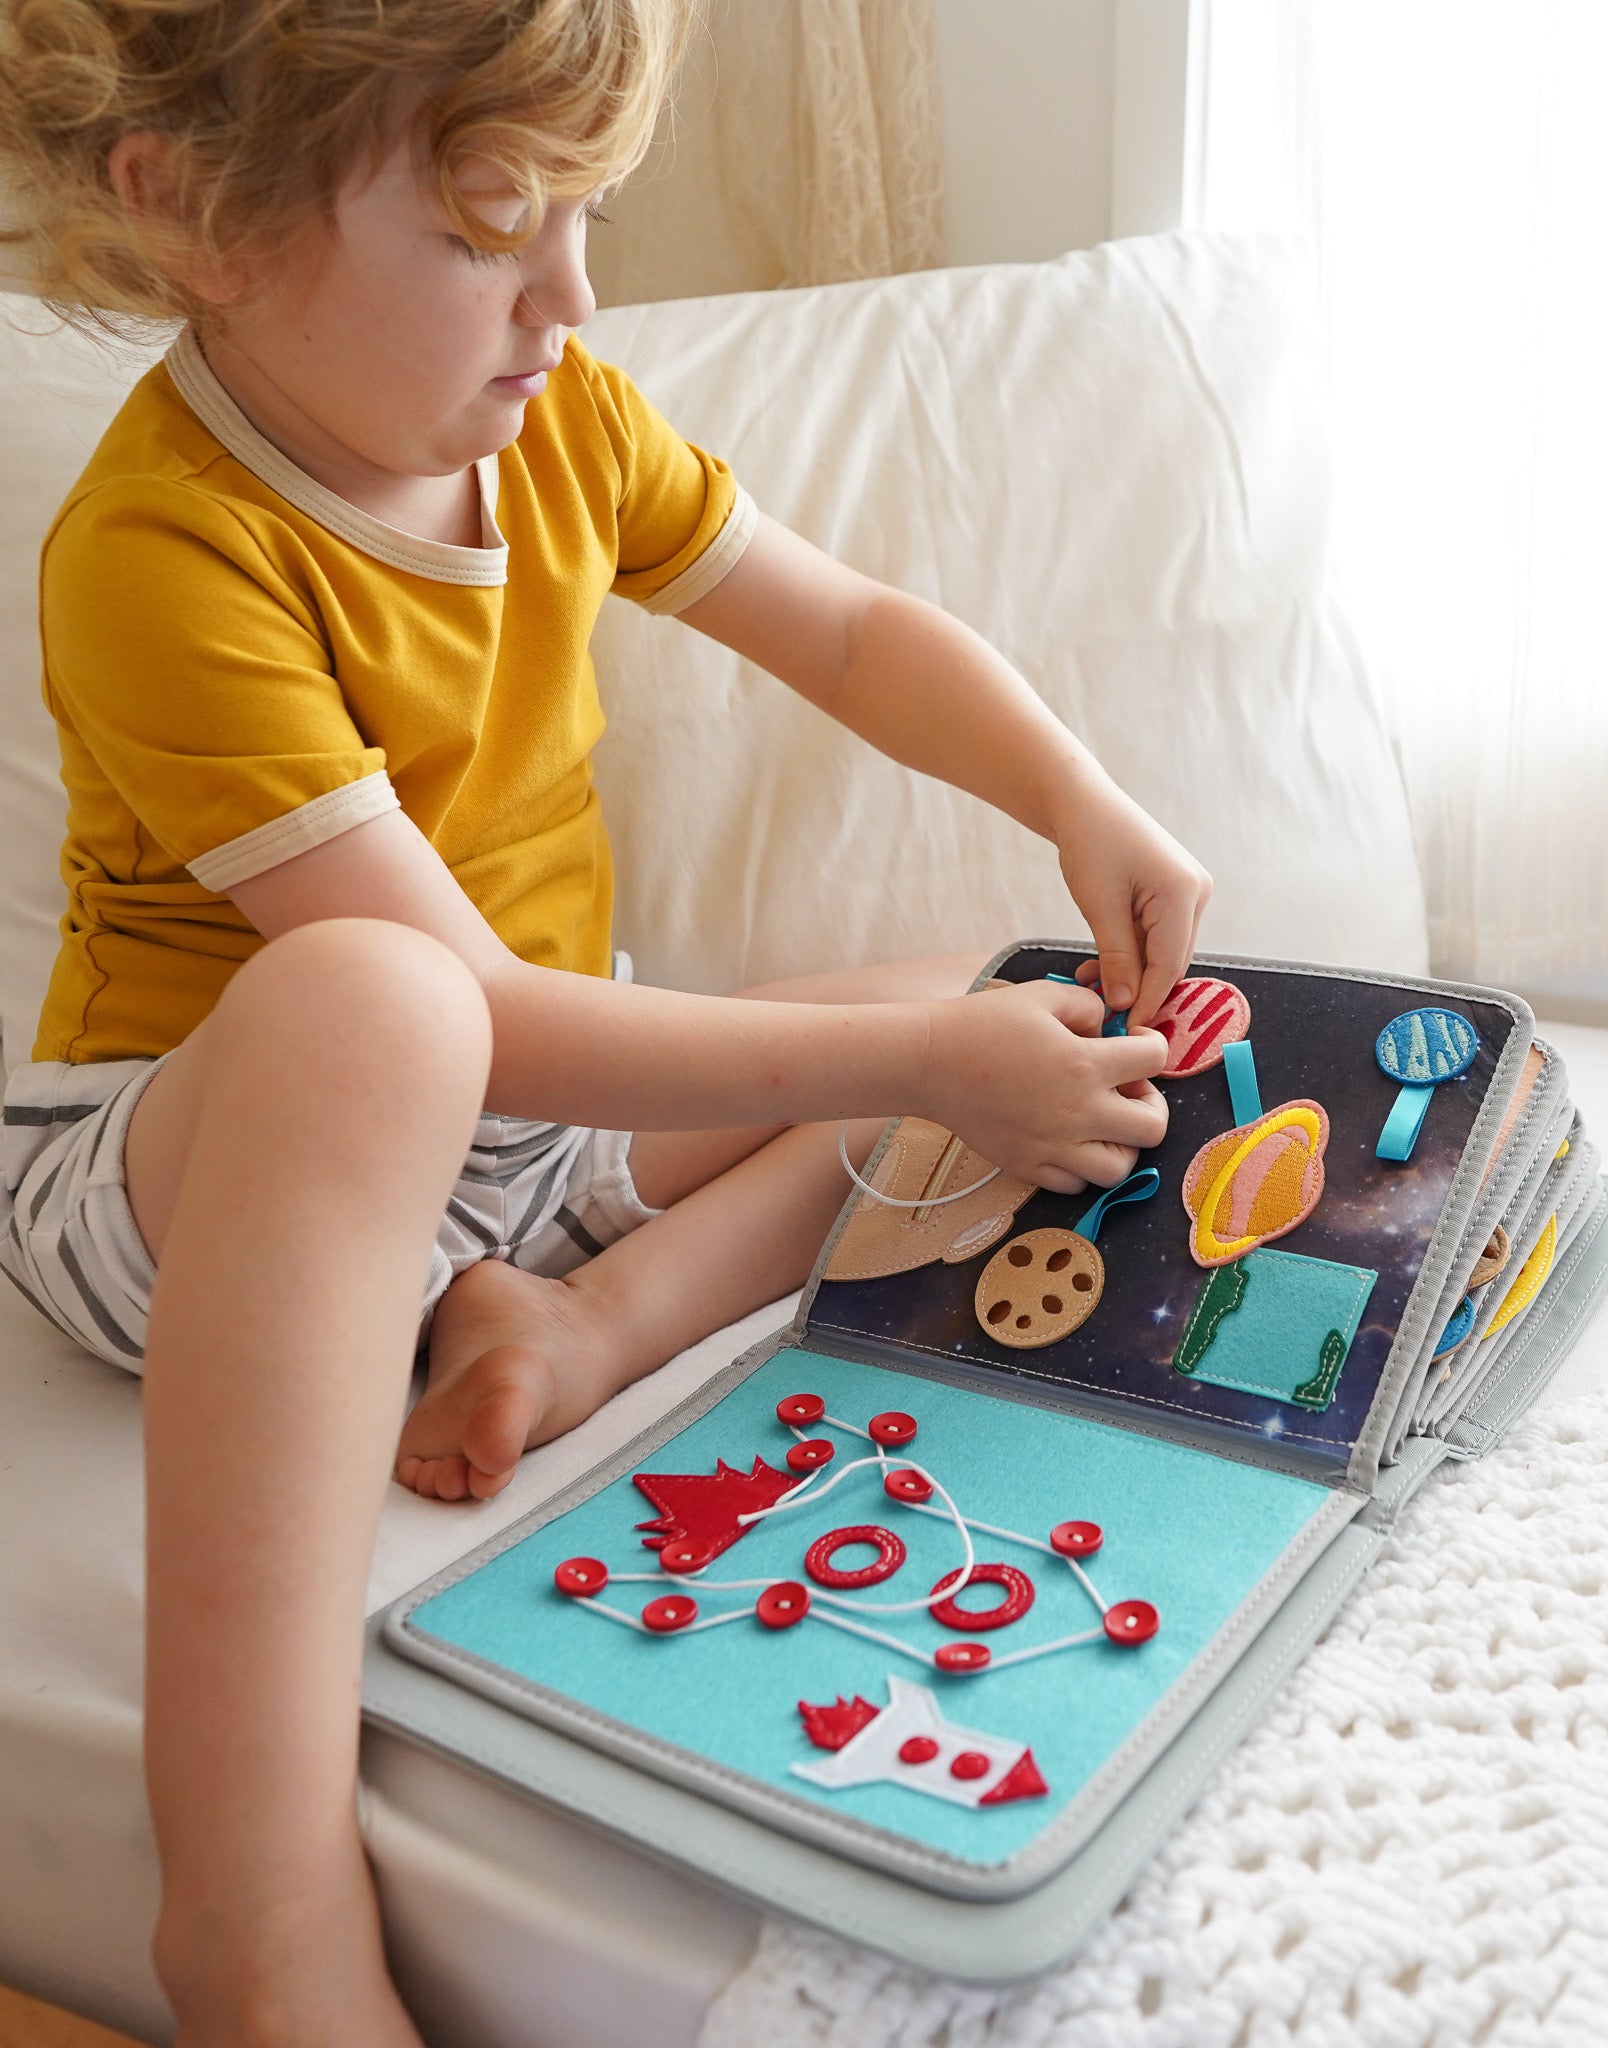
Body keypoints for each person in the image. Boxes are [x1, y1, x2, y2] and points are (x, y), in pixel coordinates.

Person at [0, 0, 1210, 2035]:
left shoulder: (556, 418)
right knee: (381, 1004)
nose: (567, 298)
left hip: (523, 1146)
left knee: (990, 990)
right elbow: (470, 1014)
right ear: (197, 210)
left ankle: (579, 1328)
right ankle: (253, 1911)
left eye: (586, 218)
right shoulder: (160, 550)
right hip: (203, 1186)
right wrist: (924, 1072)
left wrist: (1074, 795)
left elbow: (847, 629)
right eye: (492, 229)